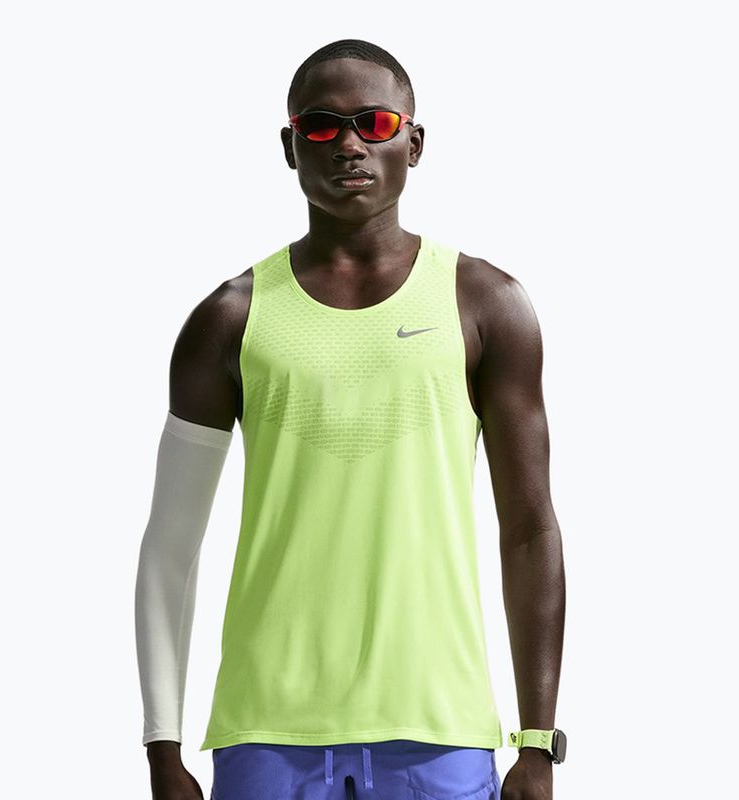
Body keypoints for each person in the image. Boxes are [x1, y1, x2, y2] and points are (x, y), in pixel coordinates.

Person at [135, 38, 566, 800]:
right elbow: (170, 547)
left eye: (375, 122)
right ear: (290, 146)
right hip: (267, 731)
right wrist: (161, 747)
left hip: (439, 729)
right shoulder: (229, 319)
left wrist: (537, 741)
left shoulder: (485, 305)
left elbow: (530, 529)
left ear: (414, 142)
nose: (350, 144)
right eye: (322, 125)